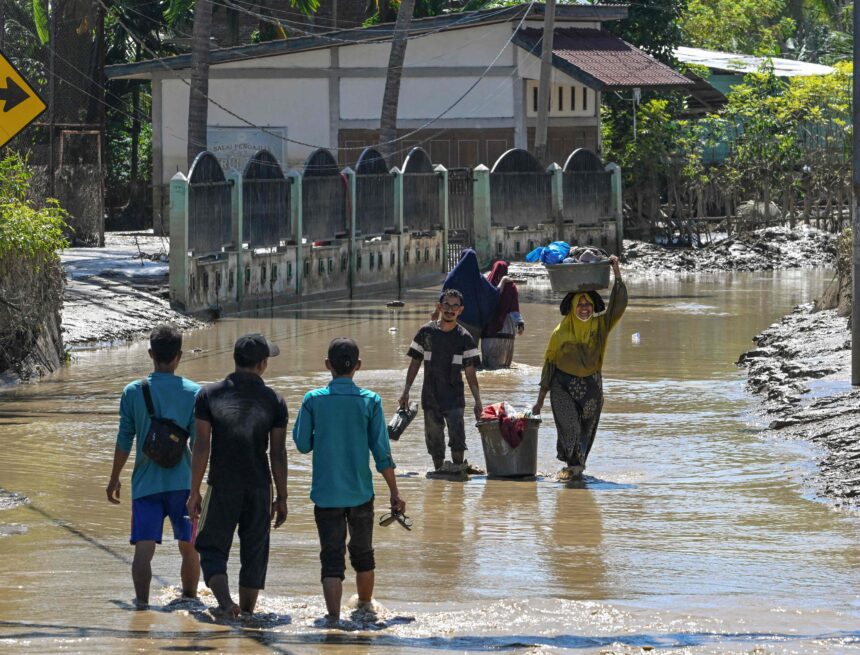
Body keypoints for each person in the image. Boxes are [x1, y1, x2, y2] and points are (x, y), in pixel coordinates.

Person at [292, 337, 406, 623]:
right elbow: (382, 453)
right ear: (358, 366)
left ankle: (333, 620)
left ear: (327, 365)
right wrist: (394, 491)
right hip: (360, 494)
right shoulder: (371, 401)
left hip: (327, 494)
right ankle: (365, 610)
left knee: (331, 558)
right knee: (363, 554)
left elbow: (302, 445)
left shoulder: (312, 400)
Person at [186, 333, 288, 618]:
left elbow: (201, 445)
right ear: (263, 364)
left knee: (210, 546)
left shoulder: (209, 395)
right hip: (259, 485)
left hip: (222, 485)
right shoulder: (274, 400)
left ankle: (225, 603)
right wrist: (282, 497)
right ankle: (247, 612)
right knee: (254, 550)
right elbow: (278, 453)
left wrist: (194, 491)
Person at [106, 324, 200, 608]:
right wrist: (200, 487)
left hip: (145, 485)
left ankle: (142, 607)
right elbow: (199, 446)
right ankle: (190, 601)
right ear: (179, 356)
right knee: (190, 549)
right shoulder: (195, 393)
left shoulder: (133, 392)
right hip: (184, 485)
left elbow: (124, 439)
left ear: (150, 354)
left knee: (143, 553)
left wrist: (114, 478)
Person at [532, 256, 627, 481]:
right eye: (580, 304)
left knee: (586, 432)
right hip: (562, 386)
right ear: (572, 307)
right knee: (570, 430)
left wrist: (617, 272)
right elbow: (549, 365)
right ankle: (572, 469)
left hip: (591, 386)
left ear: (593, 306)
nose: (584, 308)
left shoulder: (601, 325)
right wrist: (539, 400)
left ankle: (576, 470)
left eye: (588, 304)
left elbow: (618, 306)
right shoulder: (560, 333)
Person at [401, 288, 483, 472]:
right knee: (435, 442)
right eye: (446, 304)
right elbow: (415, 363)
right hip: (430, 398)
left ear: (460, 310)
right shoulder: (425, 333)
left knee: (458, 440)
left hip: (454, 399)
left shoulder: (465, 339)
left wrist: (478, 402)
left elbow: (470, 374)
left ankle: (458, 472)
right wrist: (405, 391)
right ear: (439, 306)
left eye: (455, 306)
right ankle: (439, 473)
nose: (450, 309)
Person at [439, 248, 499, 346]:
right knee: (470, 354)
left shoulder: (452, 276)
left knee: (452, 352)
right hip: (474, 325)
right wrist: (503, 282)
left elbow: (442, 296)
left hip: (455, 320)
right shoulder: (479, 279)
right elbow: (493, 294)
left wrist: (437, 313)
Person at [481, 260, 525, 369]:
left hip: (489, 329)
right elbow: (514, 308)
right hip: (507, 329)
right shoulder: (511, 286)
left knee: (489, 366)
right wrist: (520, 324)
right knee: (503, 366)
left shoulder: (487, 284)